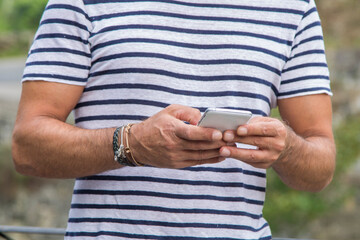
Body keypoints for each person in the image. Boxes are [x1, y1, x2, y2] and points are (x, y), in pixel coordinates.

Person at [12, 0, 336, 239]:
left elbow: (320, 167)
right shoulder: (80, 4)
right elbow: (27, 149)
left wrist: (287, 148)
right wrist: (130, 144)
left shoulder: (293, 9)